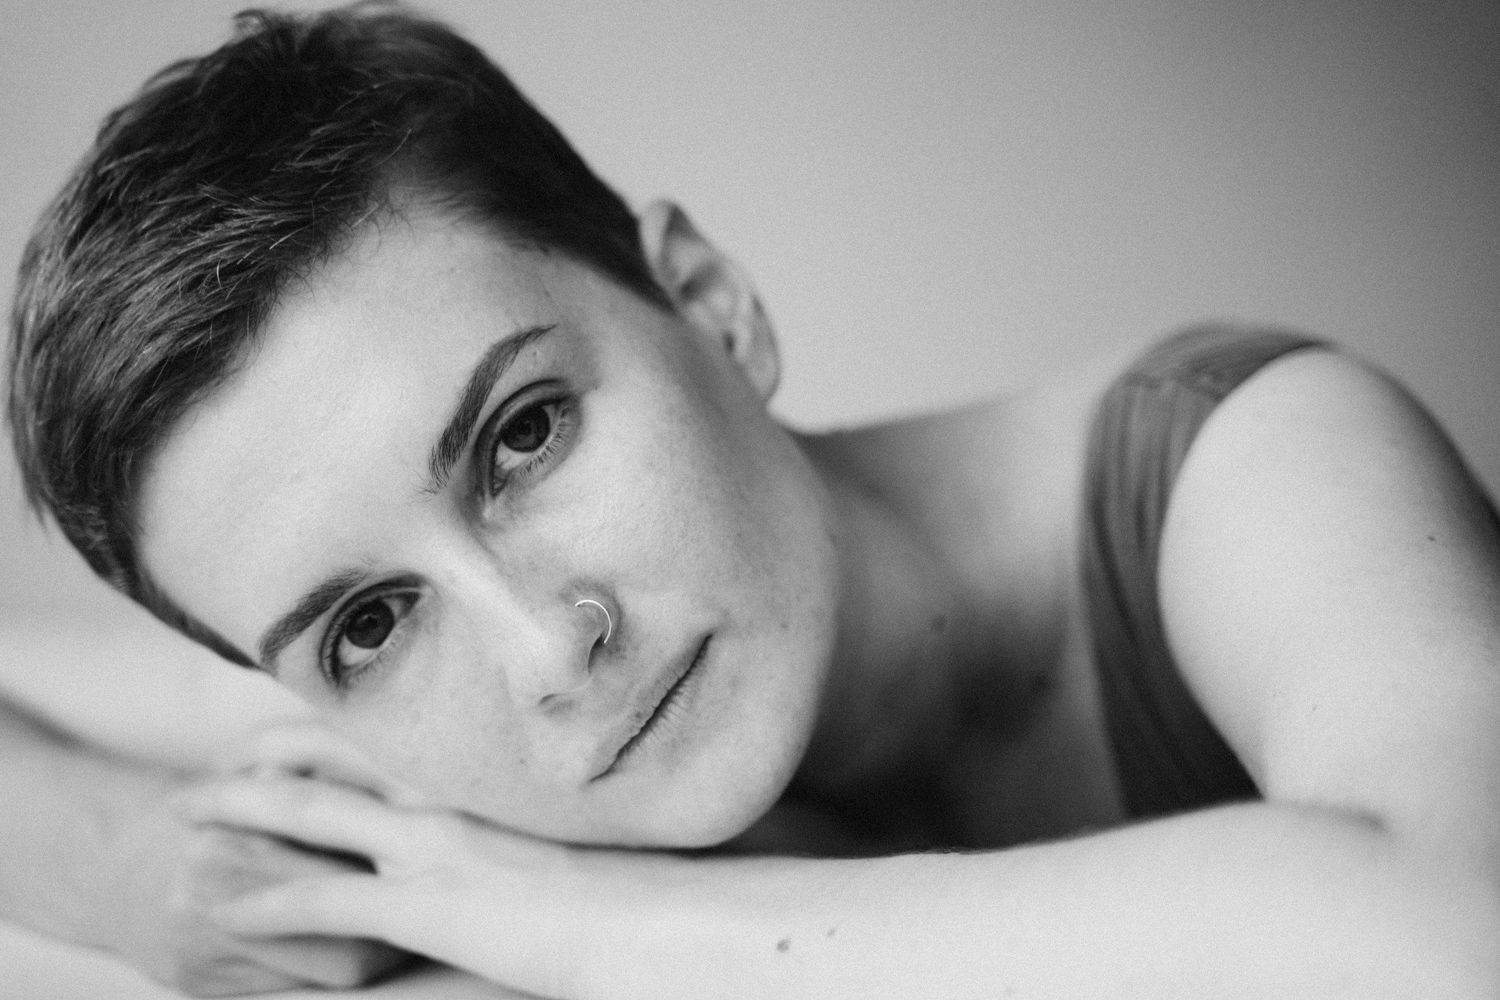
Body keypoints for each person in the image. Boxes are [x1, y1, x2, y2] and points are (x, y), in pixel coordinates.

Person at [5, 4, 1499, 997]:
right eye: (370, 626)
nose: (549, 648)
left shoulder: (1242, 459)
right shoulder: (464, 728)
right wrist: (130, 867)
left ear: (710, 304)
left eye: (524, 435)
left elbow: (1456, 938)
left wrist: (606, 932)